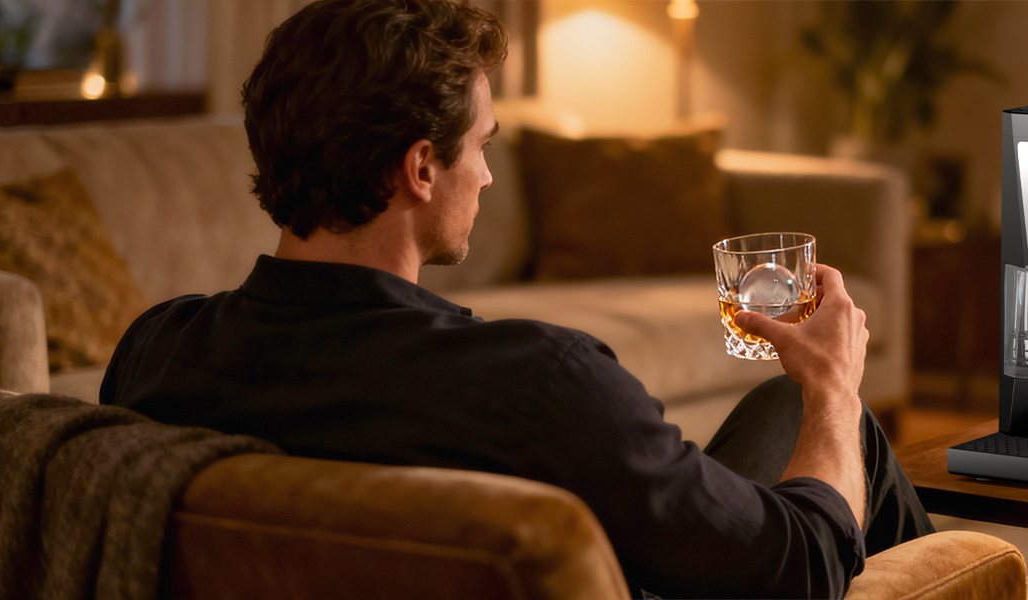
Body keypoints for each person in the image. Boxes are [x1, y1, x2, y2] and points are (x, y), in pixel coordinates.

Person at [100, 0, 933, 597]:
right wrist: (830, 385)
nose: (491, 175)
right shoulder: (538, 384)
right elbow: (805, 568)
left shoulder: (156, 351)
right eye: (481, 148)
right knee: (832, 421)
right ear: (421, 169)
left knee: (773, 406)